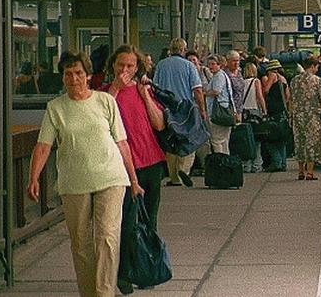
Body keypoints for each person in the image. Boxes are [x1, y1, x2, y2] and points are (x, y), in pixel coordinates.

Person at [27, 50, 143, 297]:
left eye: (79, 73)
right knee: (81, 242)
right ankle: (89, 292)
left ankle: (104, 293)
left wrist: (133, 180)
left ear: (89, 76)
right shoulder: (55, 108)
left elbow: (122, 142)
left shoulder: (105, 101)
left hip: (111, 177)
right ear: (63, 78)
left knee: (107, 236)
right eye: (68, 74)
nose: (74, 79)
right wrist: (33, 177)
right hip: (74, 181)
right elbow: (44, 145)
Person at [100, 45, 167, 294]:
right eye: (121, 65)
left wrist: (145, 95)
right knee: (126, 223)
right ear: (113, 66)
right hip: (122, 167)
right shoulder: (104, 94)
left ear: (137, 67)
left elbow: (159, 124)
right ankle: (123, 272)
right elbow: (103, 121)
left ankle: (145, 267)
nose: (125, 70)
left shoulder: (143, 91)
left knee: (150, 219)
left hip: (150, 161)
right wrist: (116, 89)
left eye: (130, 66)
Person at [153, 38, 206, 187]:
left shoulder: (161, 65)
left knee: (171, 142)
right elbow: (197, 90)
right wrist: (202, 109)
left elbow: (155, 88)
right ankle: (184, 169)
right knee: (190, 138)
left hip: (165, 108)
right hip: (185, 107)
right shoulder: (189, 66)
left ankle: (174, 177)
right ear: (183, 49)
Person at [289, 57, 321, 180]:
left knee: (300, 142)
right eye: (316, 67)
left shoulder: (294, 81)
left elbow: (291, 99)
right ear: (312, 66)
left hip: (298, 116)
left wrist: (291, 115)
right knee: (312, 143)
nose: (317, 69)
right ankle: (310, 172)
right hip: (312, 116)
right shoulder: (318, 81)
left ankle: (301, 171)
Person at [261, 60, 290, 172]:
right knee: (281, 139)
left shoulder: (273, 75)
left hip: (273, 110)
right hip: (282, 110)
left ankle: (277, 162)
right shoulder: (283, 79)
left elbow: (266, 90)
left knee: (271, 139)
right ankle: (283, 163)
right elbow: (288, 96)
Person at [205, 55, 235, 154]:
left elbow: (216, 91)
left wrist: (204, 93)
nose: (210, 67)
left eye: (213, 64)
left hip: (218, 111)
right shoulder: (223, 75)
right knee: (225, 140)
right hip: (225, 109)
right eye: (209, 64)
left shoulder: (218, 76)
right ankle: (226, 161)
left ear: (219, 65)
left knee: (216, 140)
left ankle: (220, 161)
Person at [241, 63, 267, 173]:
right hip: (254, 111)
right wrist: (264, 110)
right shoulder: (256, 81)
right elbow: (259, 96)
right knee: (257, 140)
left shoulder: (241, 82)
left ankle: (246, 165)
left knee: (246, 139)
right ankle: (257, 165)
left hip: (244, 112)